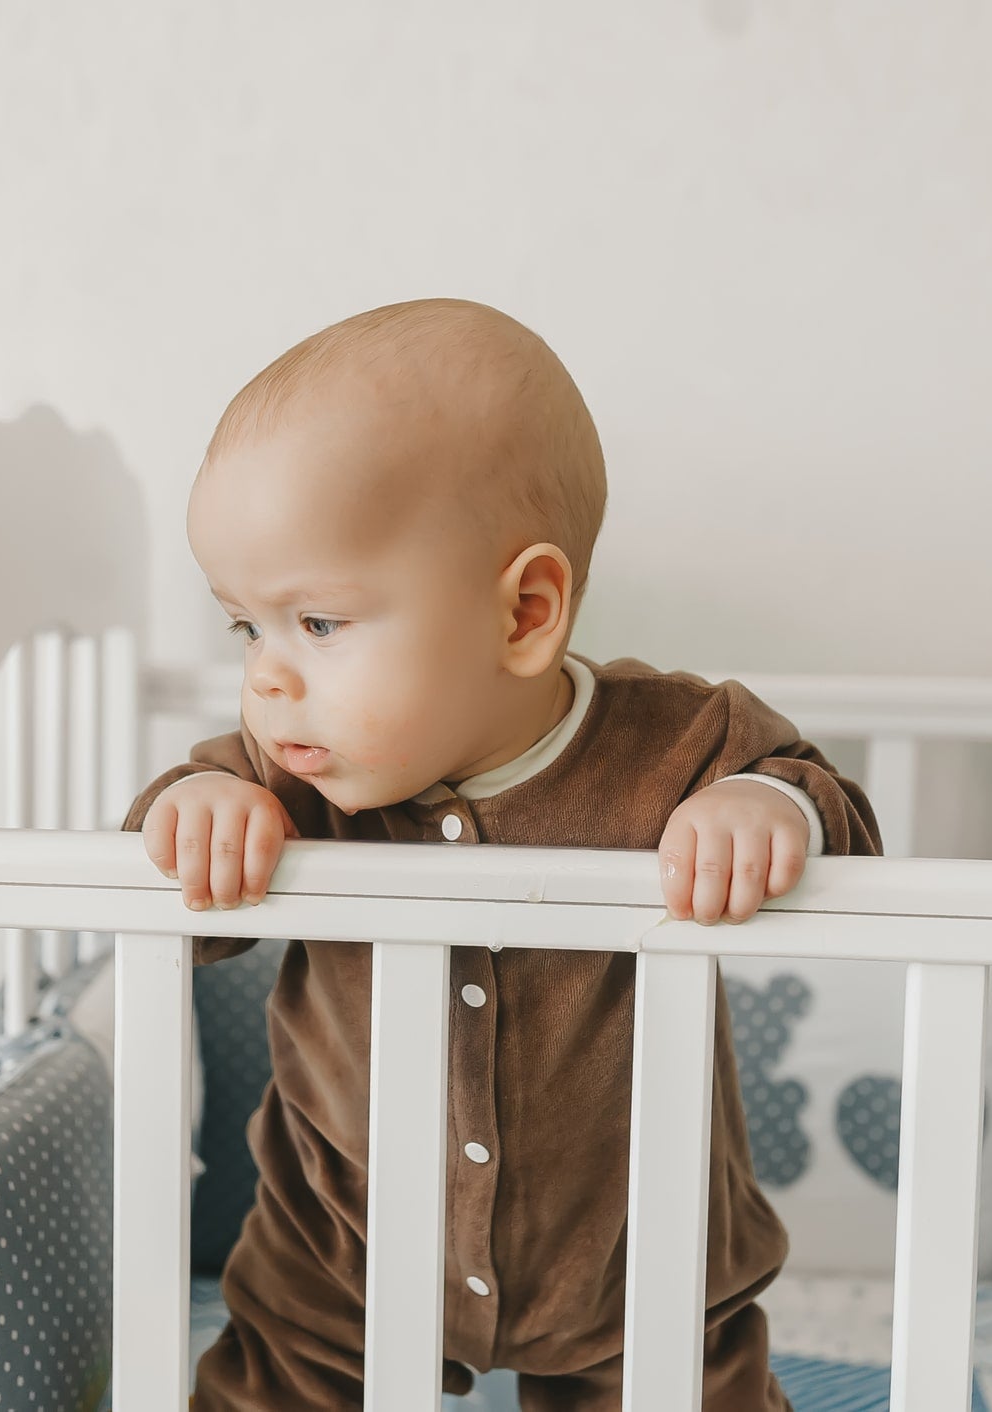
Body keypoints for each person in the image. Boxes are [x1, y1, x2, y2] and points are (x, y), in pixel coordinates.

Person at [122, 297, 882, 1411]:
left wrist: (771, 806)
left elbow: (838, 811)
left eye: (318, 623)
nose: (268, 678)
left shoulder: (674, 743)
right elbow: (184, 876)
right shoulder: (287, 771)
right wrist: (197, 807)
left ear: (525, 611)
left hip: (636, 1265)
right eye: (248, 627)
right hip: (339, 1265)